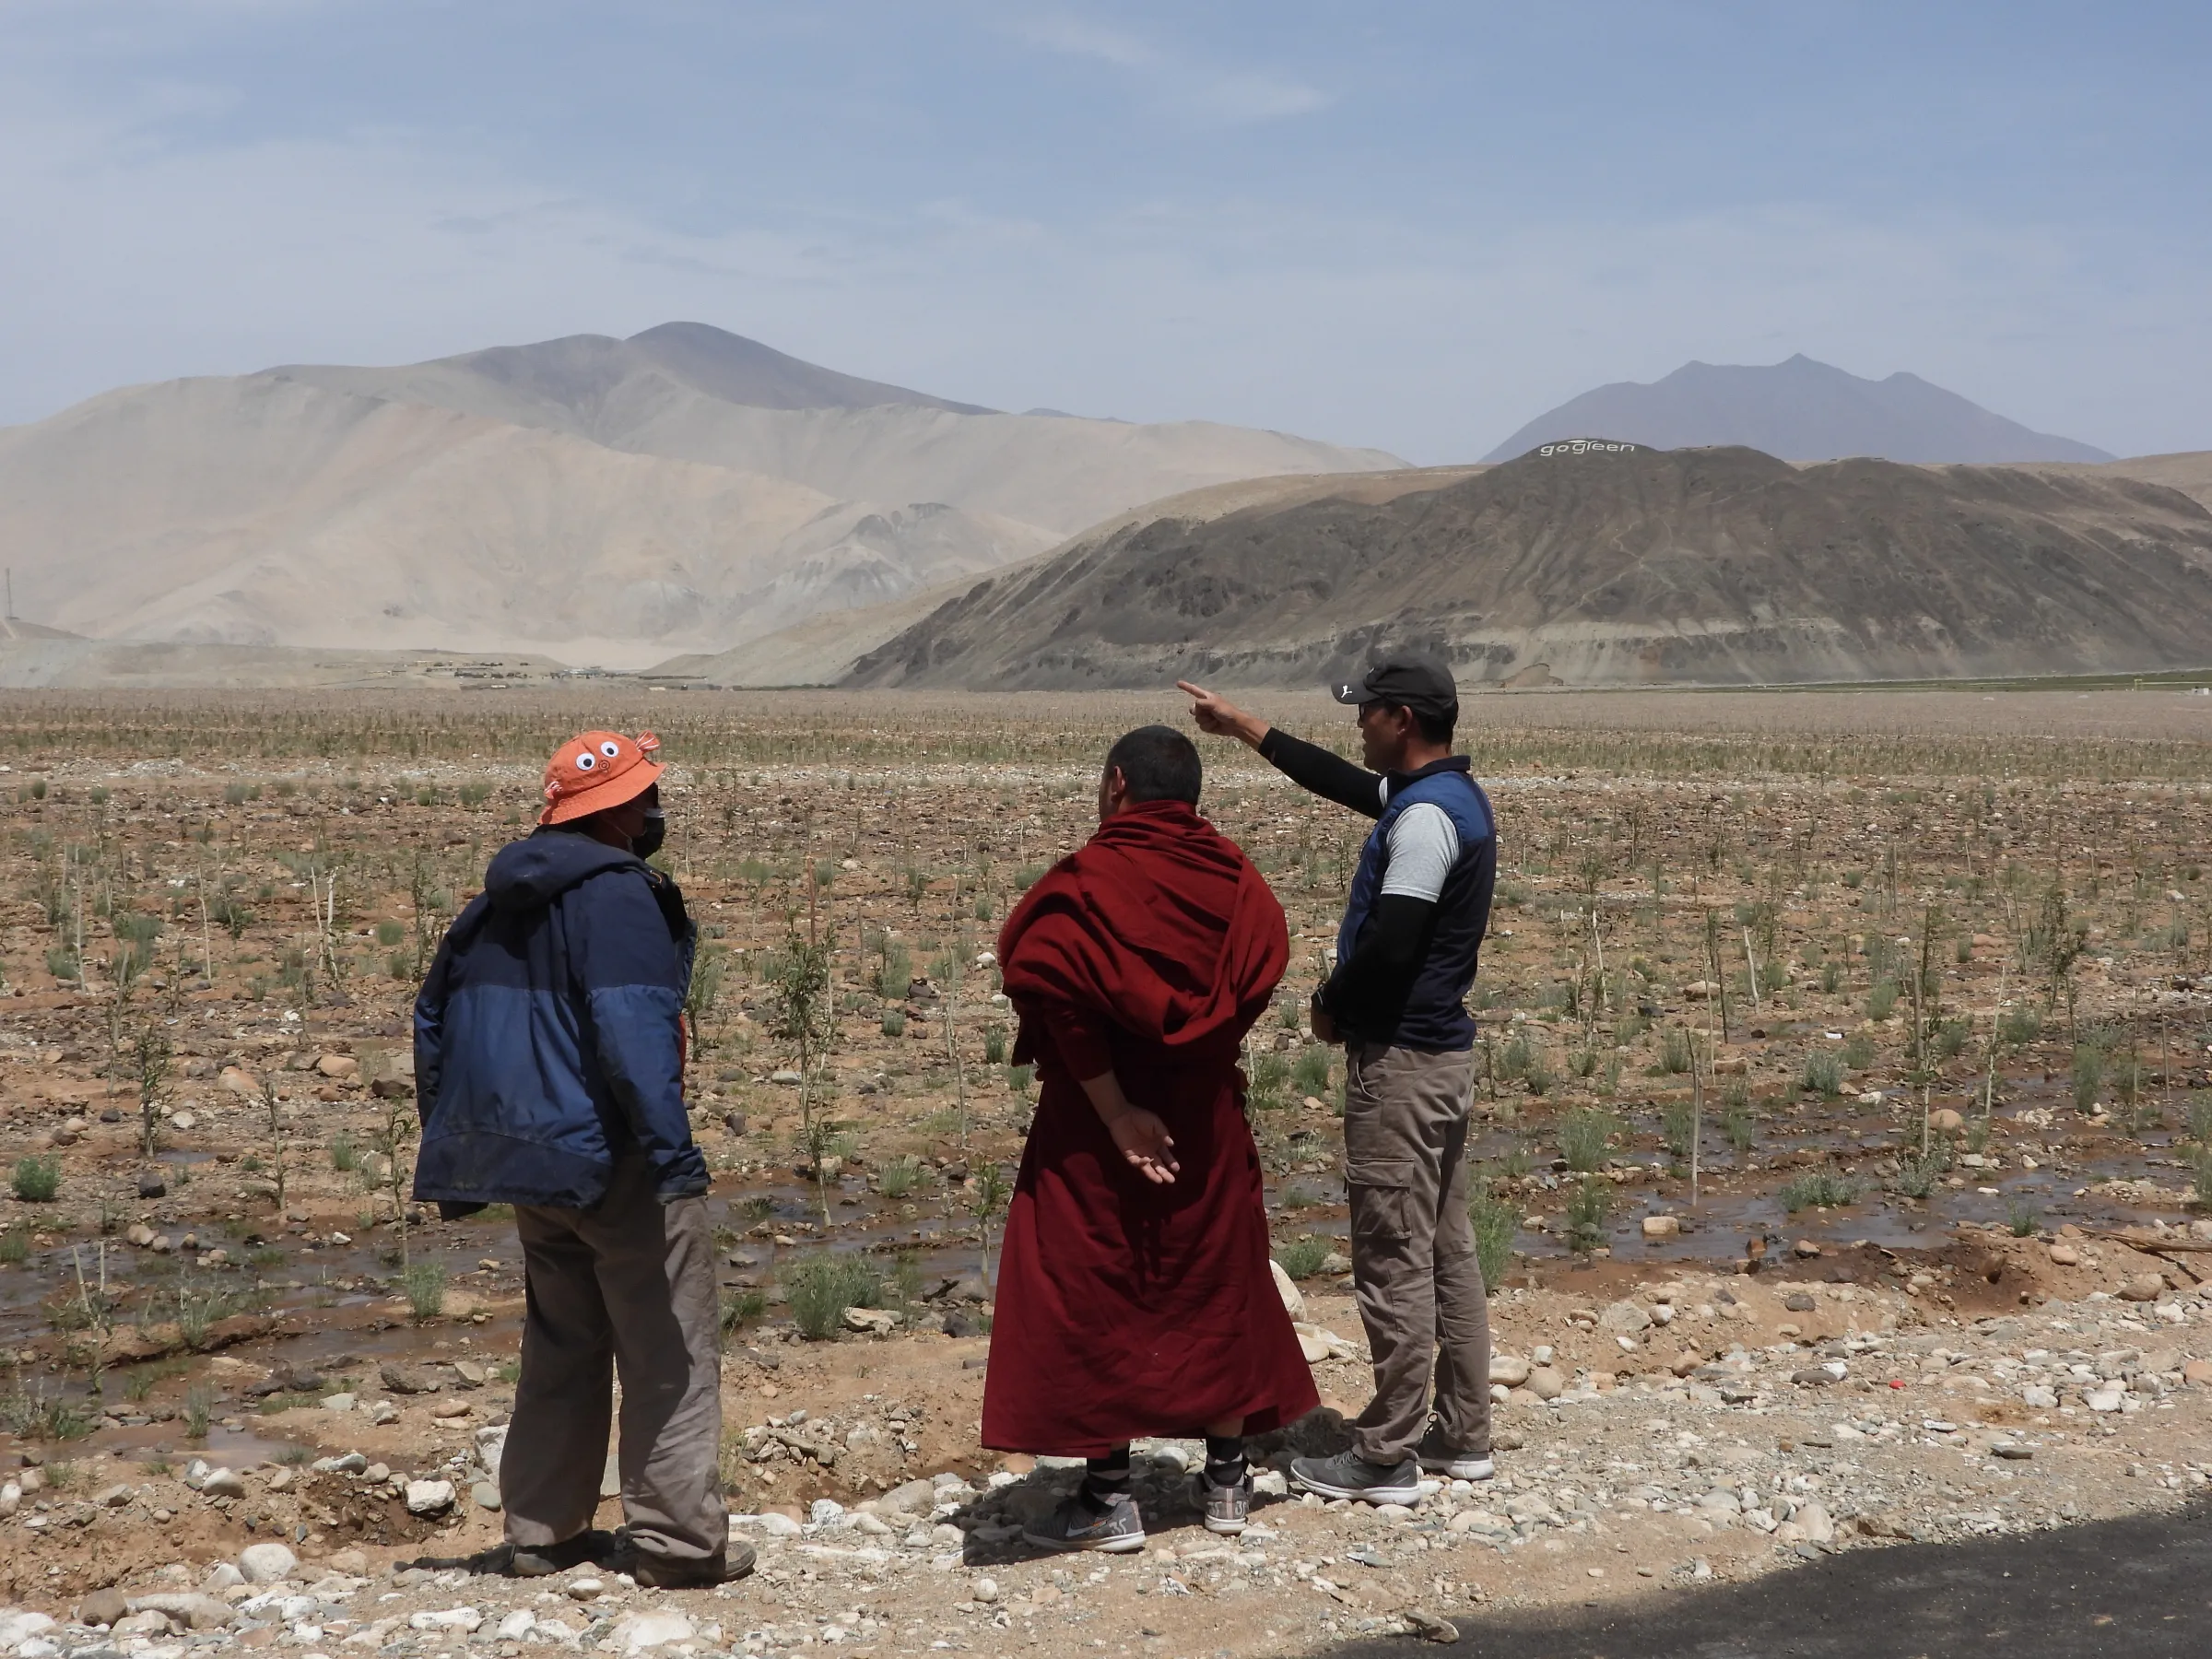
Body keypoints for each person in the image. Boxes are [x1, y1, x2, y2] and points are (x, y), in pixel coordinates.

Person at [413, 730, 749, 1588]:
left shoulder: (492, 905)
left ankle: (544, 1533)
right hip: (615, 1155)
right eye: (645, 797)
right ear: (621, 810)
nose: (654, 811)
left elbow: (433, 1023)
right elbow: (633, 1031)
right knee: (666, 1344)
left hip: (531, 1158)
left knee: (562, 1338)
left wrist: (467, 1143)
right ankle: (678, 1545)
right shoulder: (620, 898)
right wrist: (672, 1155)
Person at [982, 724, 1318, 1552]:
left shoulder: (1091, 881)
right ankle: (1228, 1481)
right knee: (1217, 1276)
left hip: (1097, 1126)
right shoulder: (1237, 882)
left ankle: (1107, 1498)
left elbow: (1046, 982)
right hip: (1202, 1115)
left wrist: (1117, 1107)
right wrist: (1195, 1057)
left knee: (1096, 1277)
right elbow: (1262, 966)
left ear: (1116, 785)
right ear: (1194, 796)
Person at [1182, 660, 1499, 1504]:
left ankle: (1386, 1454)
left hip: (1401, 1064)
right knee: (1445, 1250)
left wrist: (1330, 1003)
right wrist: (1243, 725)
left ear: (1402, 718)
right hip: (1440, 1059)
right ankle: (1463, 1435)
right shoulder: (1443, 797)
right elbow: (1344, 785)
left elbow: (1394, 942)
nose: (1358, 726)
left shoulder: (1428, 819)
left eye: (1366, 714)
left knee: (1394, 1253)